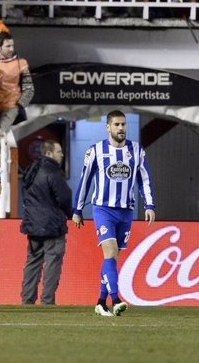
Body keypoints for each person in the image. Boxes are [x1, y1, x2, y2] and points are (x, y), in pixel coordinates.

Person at [72, 110, 156, 317]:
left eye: (123, 124)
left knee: (113, 259)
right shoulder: (96, 151)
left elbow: (144, 179)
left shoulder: (137, 150)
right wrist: (78, 209)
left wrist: (150, 205)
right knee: (109, 254)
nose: (121, 128)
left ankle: (101, 302)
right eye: (117, 125)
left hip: (126, 211)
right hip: (103, 209)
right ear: (108, 127)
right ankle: (116, 299)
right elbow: (85, 180)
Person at [20, 140, 72, 305]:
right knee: (52, 263)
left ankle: (27, 300)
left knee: (33, 263)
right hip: (52, 226)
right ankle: (47, 301)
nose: (61, 155)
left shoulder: (31, 170)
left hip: (33, 226)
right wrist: (71, 214)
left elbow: (26, 195)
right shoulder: (53, 171)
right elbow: (64, 198)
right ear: (49, 153)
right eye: (59, 151)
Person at [0, 31, 34, 135]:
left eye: (12, 46)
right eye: (8, 46)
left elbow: (29, 88)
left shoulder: (21, 63)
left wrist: (19, 106)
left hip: (11, 106)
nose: (12, 49)